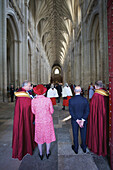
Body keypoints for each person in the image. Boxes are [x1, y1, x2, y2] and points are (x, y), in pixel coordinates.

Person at [31, 84, 56, 160]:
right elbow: (51, 111)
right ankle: (48, 152)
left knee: (39, 137)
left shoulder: (33, 101)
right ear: (44, 92)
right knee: (48, 136)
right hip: (48, 121)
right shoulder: (48, 100)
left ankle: (41, 153)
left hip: (39, 121)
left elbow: (33, 111)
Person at [12, 80, 35, 160]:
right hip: (24, 118)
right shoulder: (22, 95)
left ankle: (29, 144)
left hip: (25, 116)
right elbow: (26, 106)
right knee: (23, 130)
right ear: (24, 86)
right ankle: (23, 149)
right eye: (29, 86)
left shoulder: (24, 92)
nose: (30, 87)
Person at [86, 80, 109, 156]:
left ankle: (97, 147)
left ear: (95, 86)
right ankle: (104, 147)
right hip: (105, 118)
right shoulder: (106, 93)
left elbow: (92, 109)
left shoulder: (96, 96)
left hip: (98, 118)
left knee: (97, 130)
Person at [69, 86, 89, 154]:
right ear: (81, 91)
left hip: (75, 120)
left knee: (75, 134)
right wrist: (83, 120)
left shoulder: (71, 100)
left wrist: (77, 120)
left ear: (74, 91)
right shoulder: (85, 100)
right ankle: (83, 147)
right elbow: (87, 111)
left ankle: (76, 148)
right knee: (83, 134)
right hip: (83, 120)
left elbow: (71, 111)